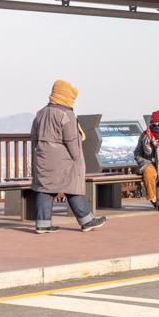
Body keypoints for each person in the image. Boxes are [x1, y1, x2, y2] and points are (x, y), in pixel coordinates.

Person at [30, 80, 107, 234]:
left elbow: (33, 136)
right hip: (63, 160)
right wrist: (77, 158)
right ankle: (87, 220)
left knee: (45, 189)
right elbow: (71, 139)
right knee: (72, 187)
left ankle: (42, 224)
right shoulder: (66, 114)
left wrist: (38, 153)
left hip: (43, 157)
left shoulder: (41, 113)